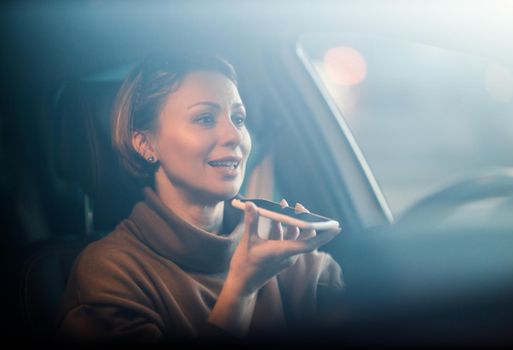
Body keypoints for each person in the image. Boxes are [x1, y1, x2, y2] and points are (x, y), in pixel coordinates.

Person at [56, 52, 345, 345]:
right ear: (145, 143)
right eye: (205, 118)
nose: (234, 136)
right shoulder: (109, 273)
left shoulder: (280, 247)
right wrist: (241, 290)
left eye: (239, 118)